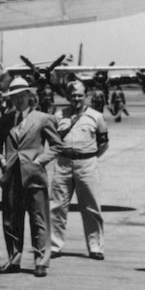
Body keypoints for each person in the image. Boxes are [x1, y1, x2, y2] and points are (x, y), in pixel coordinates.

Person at [0, 76, 59, 276]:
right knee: (11, 221)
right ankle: (14, 259)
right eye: (14, 97)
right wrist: (1, 160)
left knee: (38, 219)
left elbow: (57, 145)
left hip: (34, 177)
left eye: (21, 95)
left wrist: (40, 160)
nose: (18, 100)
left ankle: (41, 261)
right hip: (11, 177)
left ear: (29, 96)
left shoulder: (42, 118)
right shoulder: (5, 120)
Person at [49, 78, 110, 259]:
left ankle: (96, 247)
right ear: (68, 96)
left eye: (80, 95)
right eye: (73, 95)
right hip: (63, 163)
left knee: (92, 206)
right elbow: (52, 140)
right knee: (57, 206)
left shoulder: (96, 117)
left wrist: (90, 157)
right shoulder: (59, 116)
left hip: (87, 164)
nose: (76, 98)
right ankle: (54, 245)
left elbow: (104, 143)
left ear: (86, 96)